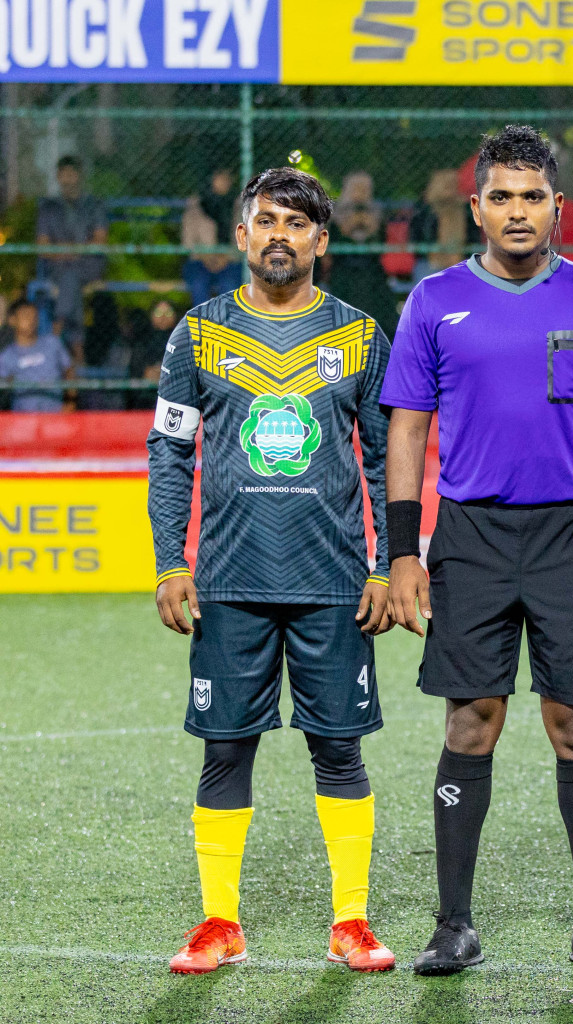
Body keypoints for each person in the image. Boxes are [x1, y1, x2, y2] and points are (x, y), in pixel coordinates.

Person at [382, 125, 573, 977]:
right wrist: (402, 554)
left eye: (532, 195)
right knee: (473, 719)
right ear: (476, 207)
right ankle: (453, 924)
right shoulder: (432, 301)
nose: (516, 210)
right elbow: (408, 430)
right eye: (500, 196)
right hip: (470, 535)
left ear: (558, 207)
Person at [148, 167, 396, 975]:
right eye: (265, 221)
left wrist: (390, 564)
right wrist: (169, 563)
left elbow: (388, 454)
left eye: (296, 222)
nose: (279, 234)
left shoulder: (359, 336)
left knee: (340, 750)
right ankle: (220, 923)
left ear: (322, 240)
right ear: (243, 235)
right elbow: (171, 452)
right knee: (225, 750)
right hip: (227, 582)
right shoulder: (197, 333)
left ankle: (350, 922)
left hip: (332, 584)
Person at [36, 156, 109, 346]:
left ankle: (55, 333)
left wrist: (68, 251)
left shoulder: (94, 205)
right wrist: (76, 251)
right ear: (58, 177)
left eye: (72, 174)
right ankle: (78, 353)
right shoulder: (48, 207)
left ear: (79, 176)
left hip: (88, 266)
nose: (68, 179)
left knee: (70, 278)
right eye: (63, 175)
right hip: (59, 267)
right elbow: (42, 248)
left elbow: (99, 241)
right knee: (70, 280)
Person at [325, 171, 399, 337]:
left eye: (365, 187)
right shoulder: (335, 211)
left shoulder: (376, 210)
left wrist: (365, 212)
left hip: (371, 269)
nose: (361, 191)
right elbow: (348, 229)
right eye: (356, 187)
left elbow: (370, 232)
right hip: (343, 269)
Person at [182, 168, 242, 307]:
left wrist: (226, 256)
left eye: (228, 177)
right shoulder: (196, 204)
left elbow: (245, 239)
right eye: (219, 176)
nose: (224, 181)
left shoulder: (239, 204)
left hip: (230, 260)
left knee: (230, 285)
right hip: (200, 260)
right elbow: (188, 240)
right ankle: (203, 326)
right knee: (198, 283)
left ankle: (227, 327)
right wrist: (206, 256)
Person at [0, 299, 72, 412]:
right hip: (23, 419)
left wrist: (70, 403)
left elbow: (69, 371)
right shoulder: (7, 356)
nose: (31, 320)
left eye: (34, 316)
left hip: (55, 416)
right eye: (25, 315)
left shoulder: (52, 343)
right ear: (12, 320)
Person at [409, 168, 470, 279]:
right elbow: (417, 237)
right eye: (446, 185)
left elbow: (473, 237)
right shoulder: (424, 210)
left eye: (453, 184)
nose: (451, 189)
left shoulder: (465, 209)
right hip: (430, 261)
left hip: (460, 259)